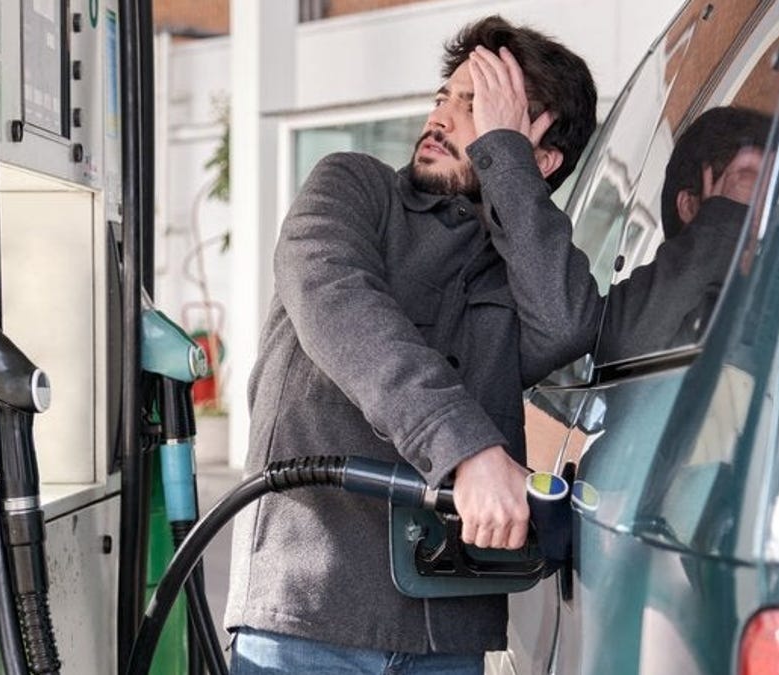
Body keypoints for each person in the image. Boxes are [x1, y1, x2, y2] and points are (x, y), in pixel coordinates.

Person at [224, 15, 601, 673]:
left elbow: (567, 325)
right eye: (444, 98)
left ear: (535, 156)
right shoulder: (352, 185)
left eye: (476, 106)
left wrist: (506, 160)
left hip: (448, 627)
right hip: (309, 615)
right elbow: (338, 301)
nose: (442, 119)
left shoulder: (516, 264)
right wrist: (469, 450)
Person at [599, 106, 772, 362]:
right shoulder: (671, 318)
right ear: (690, 206)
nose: (765, 214)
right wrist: (720, 223)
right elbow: (627, 353)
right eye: (748, 186)